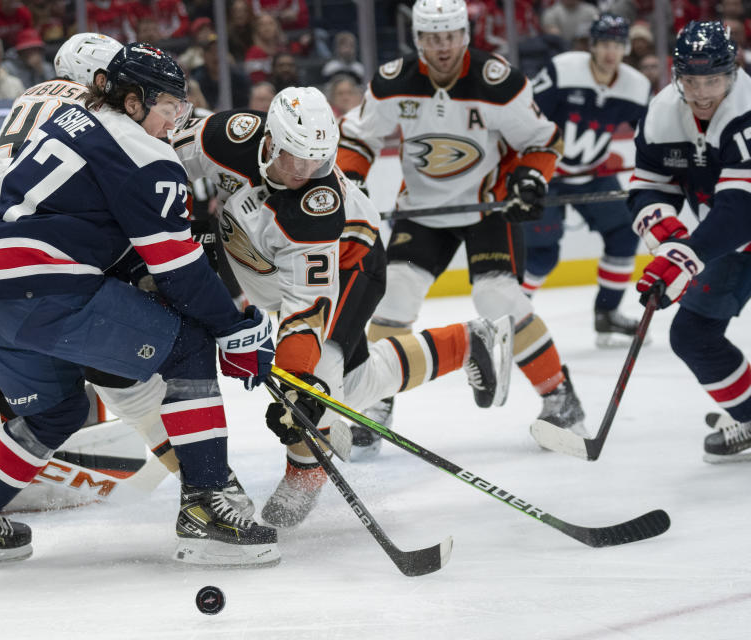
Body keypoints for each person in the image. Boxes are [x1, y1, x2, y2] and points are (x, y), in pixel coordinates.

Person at [0, 36, 264, 568]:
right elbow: (171, 256)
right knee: (170, 362)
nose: (174, 116)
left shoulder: (49, 109)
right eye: (166, 104)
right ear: (117, 89)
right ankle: (209, 493)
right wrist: (232, 324)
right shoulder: (134, 140)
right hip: (46, 282)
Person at [169, 86, 512, 523]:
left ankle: (305, 478)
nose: (306, 170)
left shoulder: (316, 209)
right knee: (354, 384)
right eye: (295, 156)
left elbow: (305, 312)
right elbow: (156, 159)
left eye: (318, 159)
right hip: (274, 270)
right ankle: (466, 343)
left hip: (353, 262)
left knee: (322, 373)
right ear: (269, 139)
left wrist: (298, 380)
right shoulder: (229, 136)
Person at [336, 0, 585, 447]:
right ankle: (377, 398)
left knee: (497, 296)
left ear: (465, 35)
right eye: (433, 38)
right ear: (418, 40)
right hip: (424, 211)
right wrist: (351, 177)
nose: (443, 46)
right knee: (392, 292)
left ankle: (560, 395)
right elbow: (357, 135)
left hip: (488, 208)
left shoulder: (498, 82)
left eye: (450, 36)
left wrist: (530, 178)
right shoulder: (395, 82)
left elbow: (542, 139)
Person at [629, 21, 751, 462]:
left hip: (731, 234)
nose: (702, 92)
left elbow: (741, 210)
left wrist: (687, 255)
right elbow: (647, 186)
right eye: (691, 80)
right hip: (728, 247)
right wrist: (667, 238)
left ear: (732, 72)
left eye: (713, 79)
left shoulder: (748, 109)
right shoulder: (662, 114)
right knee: (693, 336)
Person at [523, 14, 651, 347]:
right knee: (541, 253)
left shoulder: (636, 87)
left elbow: (652, 136)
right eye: (605, 44)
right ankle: (512, 321)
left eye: (618, 45)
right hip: (546, 174)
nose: (611, 52)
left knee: (624, 231)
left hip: (592, 175)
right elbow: (526, 116)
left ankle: (606, 314)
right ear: (591, 46)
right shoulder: (564, 70)